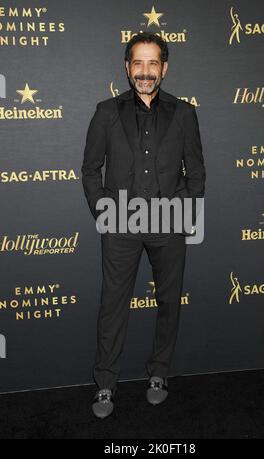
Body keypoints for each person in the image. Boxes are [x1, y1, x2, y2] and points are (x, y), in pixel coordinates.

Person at [81, 31, 206, 419]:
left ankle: (159, 373)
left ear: (164, 67)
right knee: (112, 307)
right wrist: (107, 212)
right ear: (127, 66)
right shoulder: (106, 112)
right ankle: (105, 383)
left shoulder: (184, 113)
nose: (146, 71)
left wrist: (179, 211)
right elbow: (90, 170)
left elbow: (197, 174)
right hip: (121, 224)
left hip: (168, 225)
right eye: (139, 62)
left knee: (168, 303)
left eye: (154, 63)